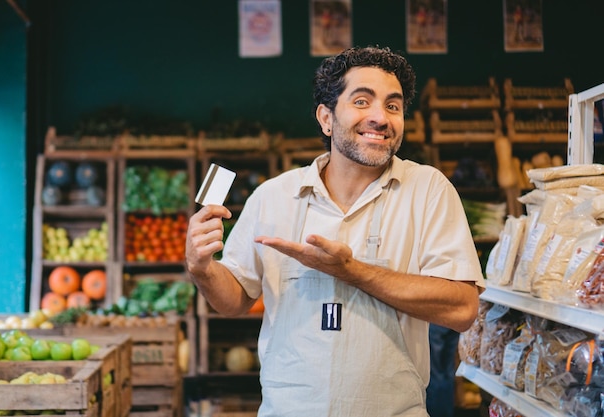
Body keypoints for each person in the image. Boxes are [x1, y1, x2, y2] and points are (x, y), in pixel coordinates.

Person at [186, 45, 484, 417]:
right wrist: (203, 268)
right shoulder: (273, 196)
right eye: (362, 101)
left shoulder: (428, 190)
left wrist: (352, 272)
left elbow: (462, 308)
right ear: (326, 119)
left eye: (393, 106)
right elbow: (234, 300)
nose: (381, 117)